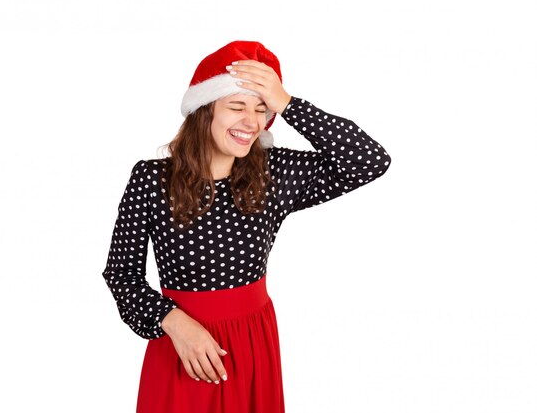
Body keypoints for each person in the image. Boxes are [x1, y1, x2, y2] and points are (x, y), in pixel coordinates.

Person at [101, 40, 391, 413]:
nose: (251, 122)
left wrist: (287, 103)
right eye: (236, 106)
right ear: (204, 111)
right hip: (182, 348)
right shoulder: (151, 179)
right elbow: (121, 274)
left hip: (253, 345)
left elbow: (369, 160)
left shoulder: (273, 173)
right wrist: (173, 323)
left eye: (261, 109)